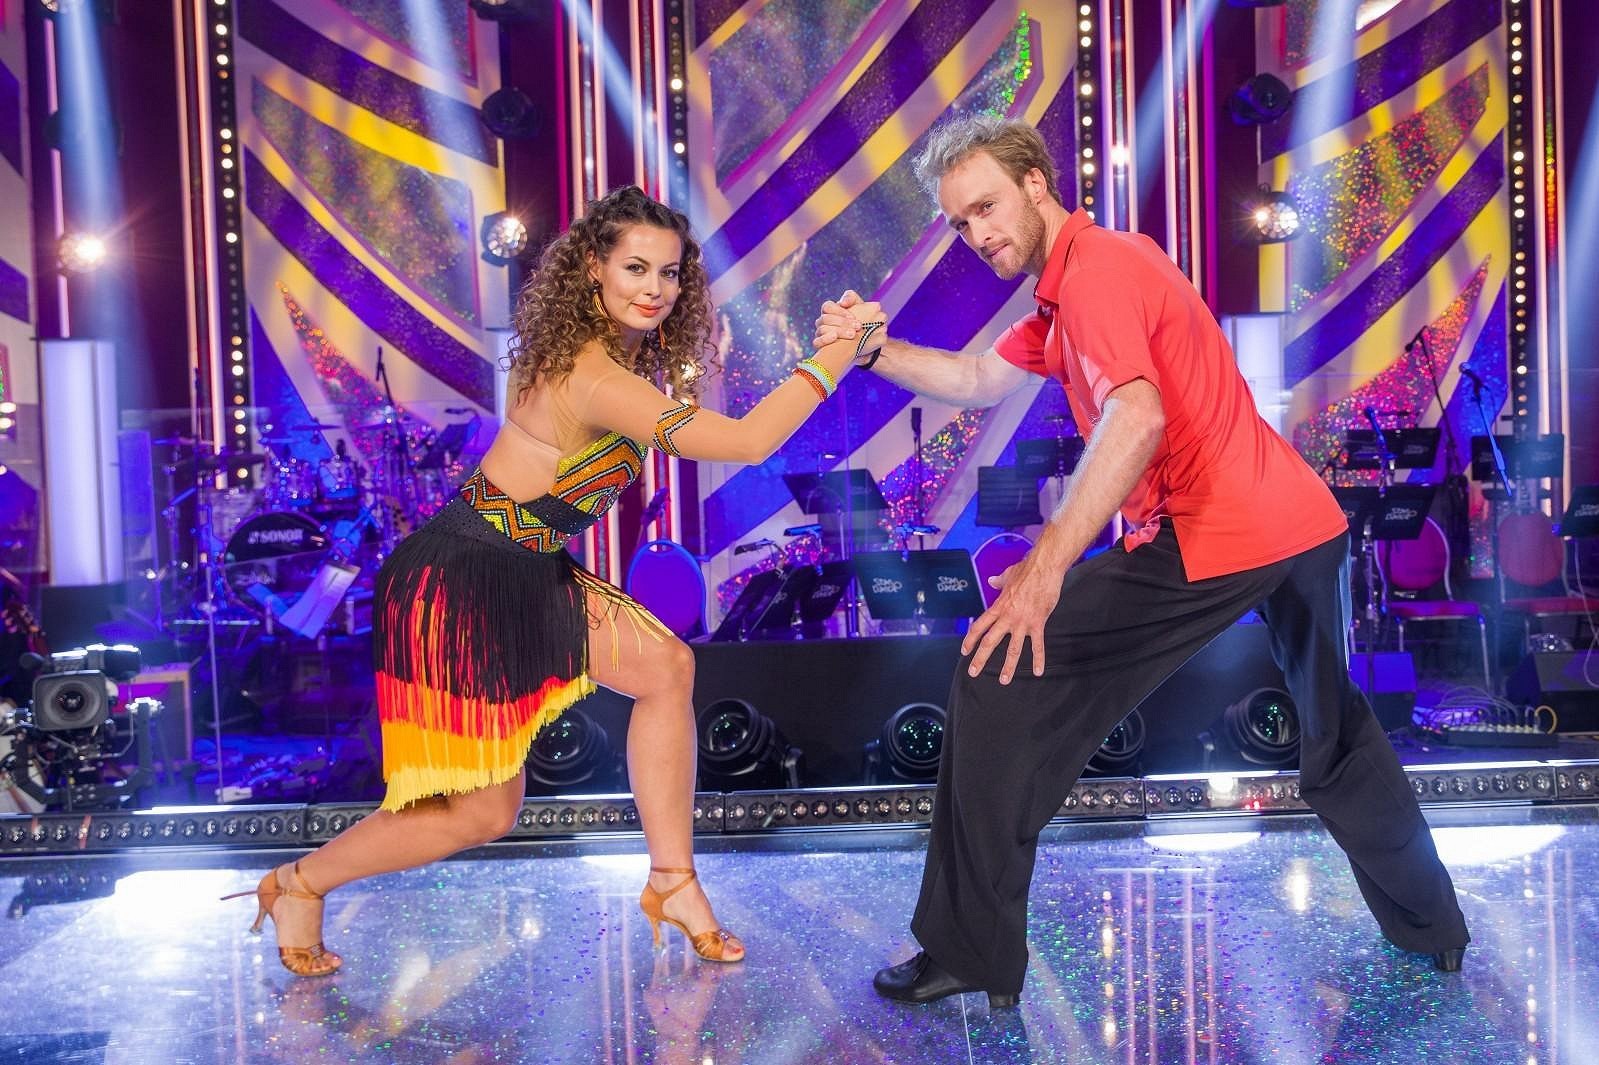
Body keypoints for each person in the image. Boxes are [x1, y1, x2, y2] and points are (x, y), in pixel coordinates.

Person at [812, 116, 1469, 1008]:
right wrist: (872, 350)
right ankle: (1434, 928)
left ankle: (969, 950)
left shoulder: (1094, 277)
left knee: (995, 675)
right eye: (960, 222)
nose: (977, 234)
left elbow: (1136, 415)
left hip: (1219, 527)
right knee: (1336, 732)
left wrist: (1045, 566)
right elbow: (975, 380)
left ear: (1035, 183)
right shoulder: (1078, 281)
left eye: (986, 207)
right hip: (1301, 523)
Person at [226, 185, 882, 976]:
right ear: (593, 268)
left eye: (669, 272)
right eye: (635, 267)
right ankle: (297, 881)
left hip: (524, 562)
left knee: (666, 668)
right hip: (465, 580)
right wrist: (839, 353)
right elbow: (743, 441)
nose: (655, 288)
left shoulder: (598, 354)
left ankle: (673, 880)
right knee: (478, 815)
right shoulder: (593, 373)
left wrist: (831, 343)